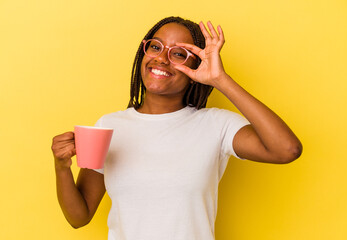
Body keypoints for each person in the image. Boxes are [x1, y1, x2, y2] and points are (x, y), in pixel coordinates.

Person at [51, 16, 302, 240]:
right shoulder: (109, 126)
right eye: (156, 47)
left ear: (195, 66)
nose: (161, 58)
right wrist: (62, 168)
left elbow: (286, 149)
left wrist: (220, 80)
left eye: (179, 53)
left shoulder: (216, 125)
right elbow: (79, 217)